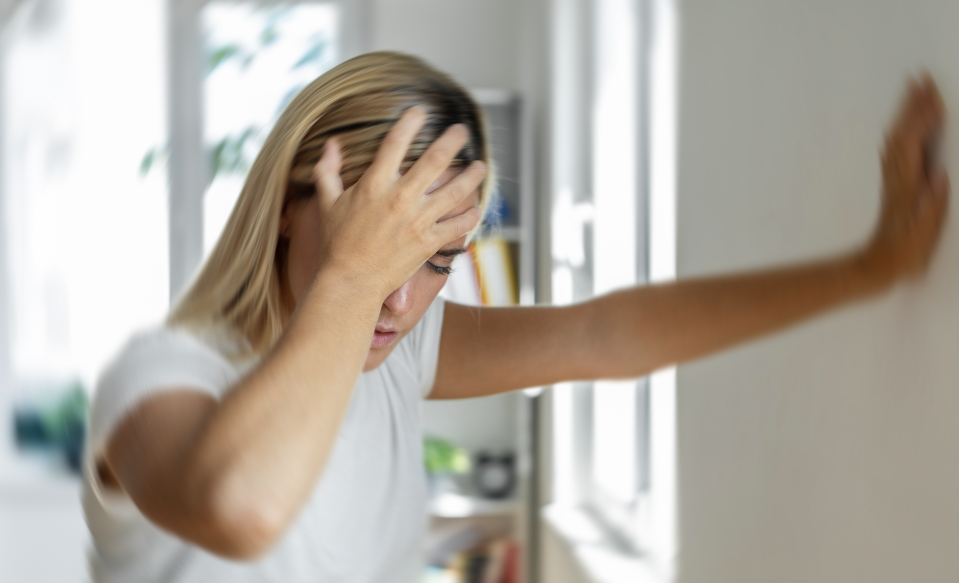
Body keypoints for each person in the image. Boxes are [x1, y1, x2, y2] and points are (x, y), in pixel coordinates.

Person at [82, 52, 948, 583]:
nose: (397, 299)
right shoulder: (158, 378)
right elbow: (244, 506)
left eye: (434, 264)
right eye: (372, 248)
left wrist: (870, 267)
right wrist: (352, 273)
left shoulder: (394, 352)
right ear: (285, 204)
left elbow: (608, 335)